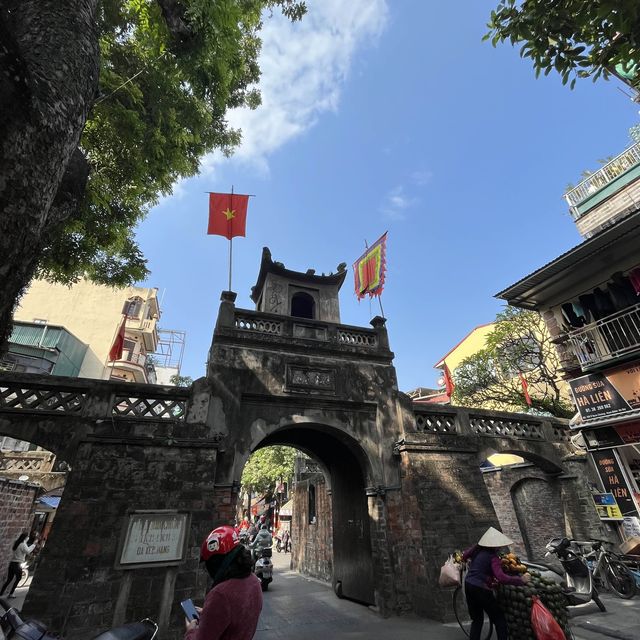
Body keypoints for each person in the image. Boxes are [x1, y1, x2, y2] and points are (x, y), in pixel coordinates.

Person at [184, 525, 262, 640]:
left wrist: (191, 631)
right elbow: (233, 616)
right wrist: (209, 612)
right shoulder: (254, 581)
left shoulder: (220, 594)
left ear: (215, 563)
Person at [461, 527, 529, 640]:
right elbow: (501, 577)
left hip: (468, 585)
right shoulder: (493, 558)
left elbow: (464, 555)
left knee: (477, 620)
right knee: (499, 619)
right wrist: (521, 580)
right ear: (495, 545)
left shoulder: (477, 550)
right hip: (480, 589)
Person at [1, 531, 38, 598]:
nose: (28, 538)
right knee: (18, 578)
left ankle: (1, 593)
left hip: (12, 563)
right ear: (25, 538)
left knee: (9, 579)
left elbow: (24, 549)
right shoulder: (23, 544)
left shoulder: (17, 543)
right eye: (27, 537)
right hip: (17, 564)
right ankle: (11, 594)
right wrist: (34, 544)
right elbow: (28, 551)